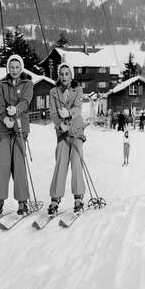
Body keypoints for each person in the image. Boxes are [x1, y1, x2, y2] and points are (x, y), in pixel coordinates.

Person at [0, 54, 33, 219]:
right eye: (11, 67)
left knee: (18, 164)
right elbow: (0, 106)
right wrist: (5, 118)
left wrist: (16, 110)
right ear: (8, 68)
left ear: (21, 68)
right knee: (2, 164)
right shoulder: (2, 85)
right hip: (5, 129)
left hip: (20, 129)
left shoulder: (28, 83)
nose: (14, 70)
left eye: (17, 67)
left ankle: (22, 201)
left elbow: (25, 101)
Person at [47, 62, 86, 216]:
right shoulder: (53, 92)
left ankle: (78, 197)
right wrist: (59, 125)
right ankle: (55, 199)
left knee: (76, 163)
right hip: (63, 133)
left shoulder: (78, 90)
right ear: (59, 75)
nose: (64, 77)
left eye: (67, 74)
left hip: (76, 131)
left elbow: (78, 108)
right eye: (61, 74)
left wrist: (68, 113)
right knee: (61, 164)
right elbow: (52, 113)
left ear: (71, 75)